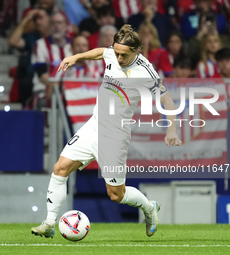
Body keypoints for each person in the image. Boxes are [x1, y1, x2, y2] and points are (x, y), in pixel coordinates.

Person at [31, 24, 182, 239]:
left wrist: (172, 130)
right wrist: (77, 57)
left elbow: (167, 99)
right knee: (60, 168)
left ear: (137, 50)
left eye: (124, 55)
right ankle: (49, 222)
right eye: (117, 53)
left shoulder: (146, 72)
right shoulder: (113, 52)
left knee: (115, 194)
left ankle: (149, 207)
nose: (118, 59)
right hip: (93, 126)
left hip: (115, 136)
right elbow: (102, 51)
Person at [8, 8, 50, 107]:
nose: (38, 22)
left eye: (41, 18)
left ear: (50, 19)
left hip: (52, 75)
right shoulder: (31, 37)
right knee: (25, 83)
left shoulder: (57, 38)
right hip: (32, 78)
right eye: (35, 20)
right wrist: (26, 19)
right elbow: (13, 41)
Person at [31, 11, 72, 110]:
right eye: (53, 23)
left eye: (59, 23)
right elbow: (42, 75)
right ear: (49, 26)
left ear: (66, 26)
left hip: (70, 91)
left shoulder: (73, 45)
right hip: (44, 91)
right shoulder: (41, 44)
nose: (56, 26)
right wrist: (59, 87)